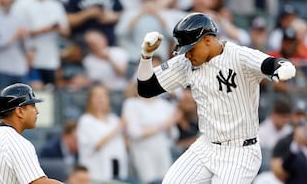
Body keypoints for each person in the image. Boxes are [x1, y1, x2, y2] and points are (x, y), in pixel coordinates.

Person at [136, 12, 297, 183]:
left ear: (207, 40)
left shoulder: (238, 55)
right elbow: (146, 89)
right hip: (205, 146)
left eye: (190, 48)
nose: (187, 54)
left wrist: (283, 66)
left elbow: (269, 63)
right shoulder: (186, 62)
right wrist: (146, 57)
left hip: (240, 151)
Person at [10, 0, 69, 89]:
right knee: (32, 92)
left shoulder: (56, 4)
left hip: (51, 59)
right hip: (29, 58)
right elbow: (16, 31)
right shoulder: (22, 3)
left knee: (49, 94)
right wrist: (43, 30)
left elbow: (66, 30)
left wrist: (58, 29)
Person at [76, 84, 128, 182]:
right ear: (90, 100)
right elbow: (96, 144)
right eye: (96, 96)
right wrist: (118, 127)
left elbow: (124, 144)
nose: (101, 99)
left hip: (117, 169)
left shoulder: (114, 119)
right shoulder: (86, 120)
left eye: (104, 96)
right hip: (96, 172)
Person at [0, 0, 32, 88]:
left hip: (19, 68)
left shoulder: (19, 15)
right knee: (2, 102)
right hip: (0, 68)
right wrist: (12, 38)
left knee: (22, 102)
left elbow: (27, 44)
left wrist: (28, 50)